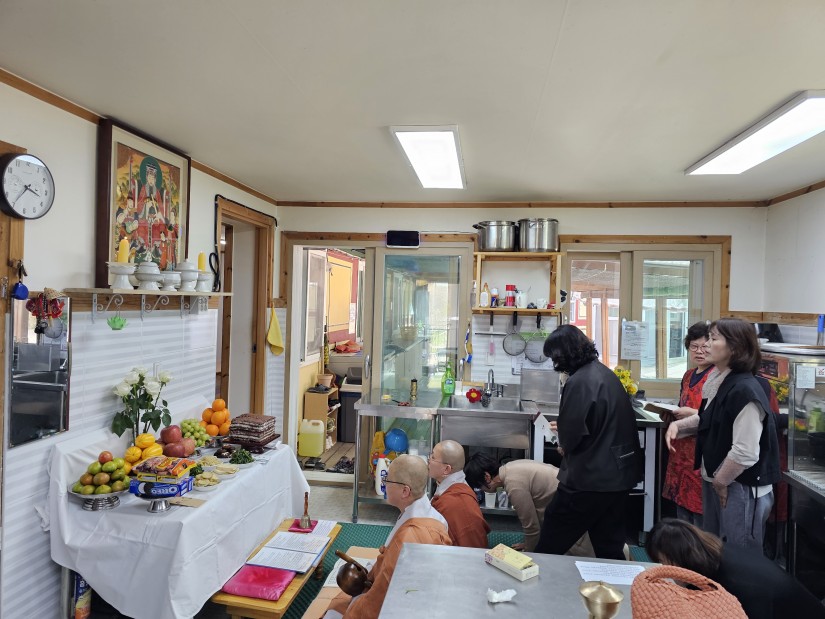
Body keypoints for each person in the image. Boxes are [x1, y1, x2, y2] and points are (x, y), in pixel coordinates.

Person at [666, 318, 780, 550]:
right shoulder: (720, 380)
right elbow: (711, 417)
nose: (706, 345)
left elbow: (745, 451)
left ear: (735, 347)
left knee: (739, 557)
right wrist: (679, 426)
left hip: (739, 485)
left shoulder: (745, 389)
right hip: (721, 480)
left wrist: (720, 481)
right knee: (715, 552)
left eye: (713, 339)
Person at [534, 325, 643, 559]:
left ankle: (537, 576)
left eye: (554, 357)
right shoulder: (604, 373)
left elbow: (572, 434)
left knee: (553, 535)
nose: (554, 363)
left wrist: (563, 443)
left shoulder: (579, 381)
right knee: (608, 543)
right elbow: (597, 421)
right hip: (618, 476)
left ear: (563, 354)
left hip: (589, 478)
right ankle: (616, 582)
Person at [325, 455, 451, 619]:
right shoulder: (437, 518)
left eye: (387, 480)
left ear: (405, 491)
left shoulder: (407, 539)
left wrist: (354, 610)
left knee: (336, 611)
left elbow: (382, 596)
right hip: (426, 597)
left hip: (406, 606)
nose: (384, 484)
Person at [647, 518, 825, 619]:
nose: (666, 571)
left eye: (664, 563)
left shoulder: (737, 583)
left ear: (680, 559)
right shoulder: (715, 554)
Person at [464, 453, 593, 555]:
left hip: (571, 501)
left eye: (479, 486)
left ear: (487, 477)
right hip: (572, 492)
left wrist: (528, 557)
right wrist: (528, 544)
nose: (481, 490)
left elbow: (532, 528)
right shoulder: (510, 468)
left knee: (577, 550)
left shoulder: (513, 485)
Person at [662, 322, 713, 526]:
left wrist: (691, 413)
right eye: (694, 346)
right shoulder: (688, 375)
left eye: (705, 347)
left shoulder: (716, 377)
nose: (699, 352)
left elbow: (716, 416)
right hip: (680, 451)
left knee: (700, 515)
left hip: (701, 454)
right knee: (681, 514)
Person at [428, 440, 490, 548]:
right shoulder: (461, 486)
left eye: (433, 457)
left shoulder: (450, 502)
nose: (428, 460)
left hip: (462, 556)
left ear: (446, 469)